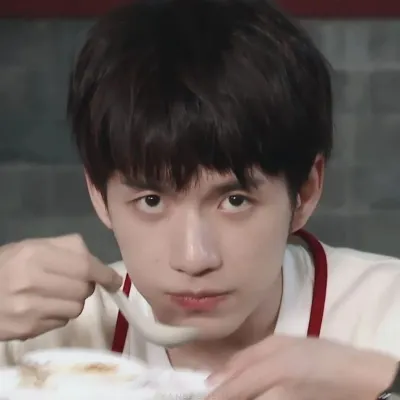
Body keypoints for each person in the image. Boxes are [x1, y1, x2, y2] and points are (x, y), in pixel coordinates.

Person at [0, 0, 400, 398]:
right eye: (151, 201)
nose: (194, 258)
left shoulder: (385, 313)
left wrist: (384, 382)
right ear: (98, 194)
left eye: (236, 201)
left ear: (305, 192)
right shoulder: (46, 330)